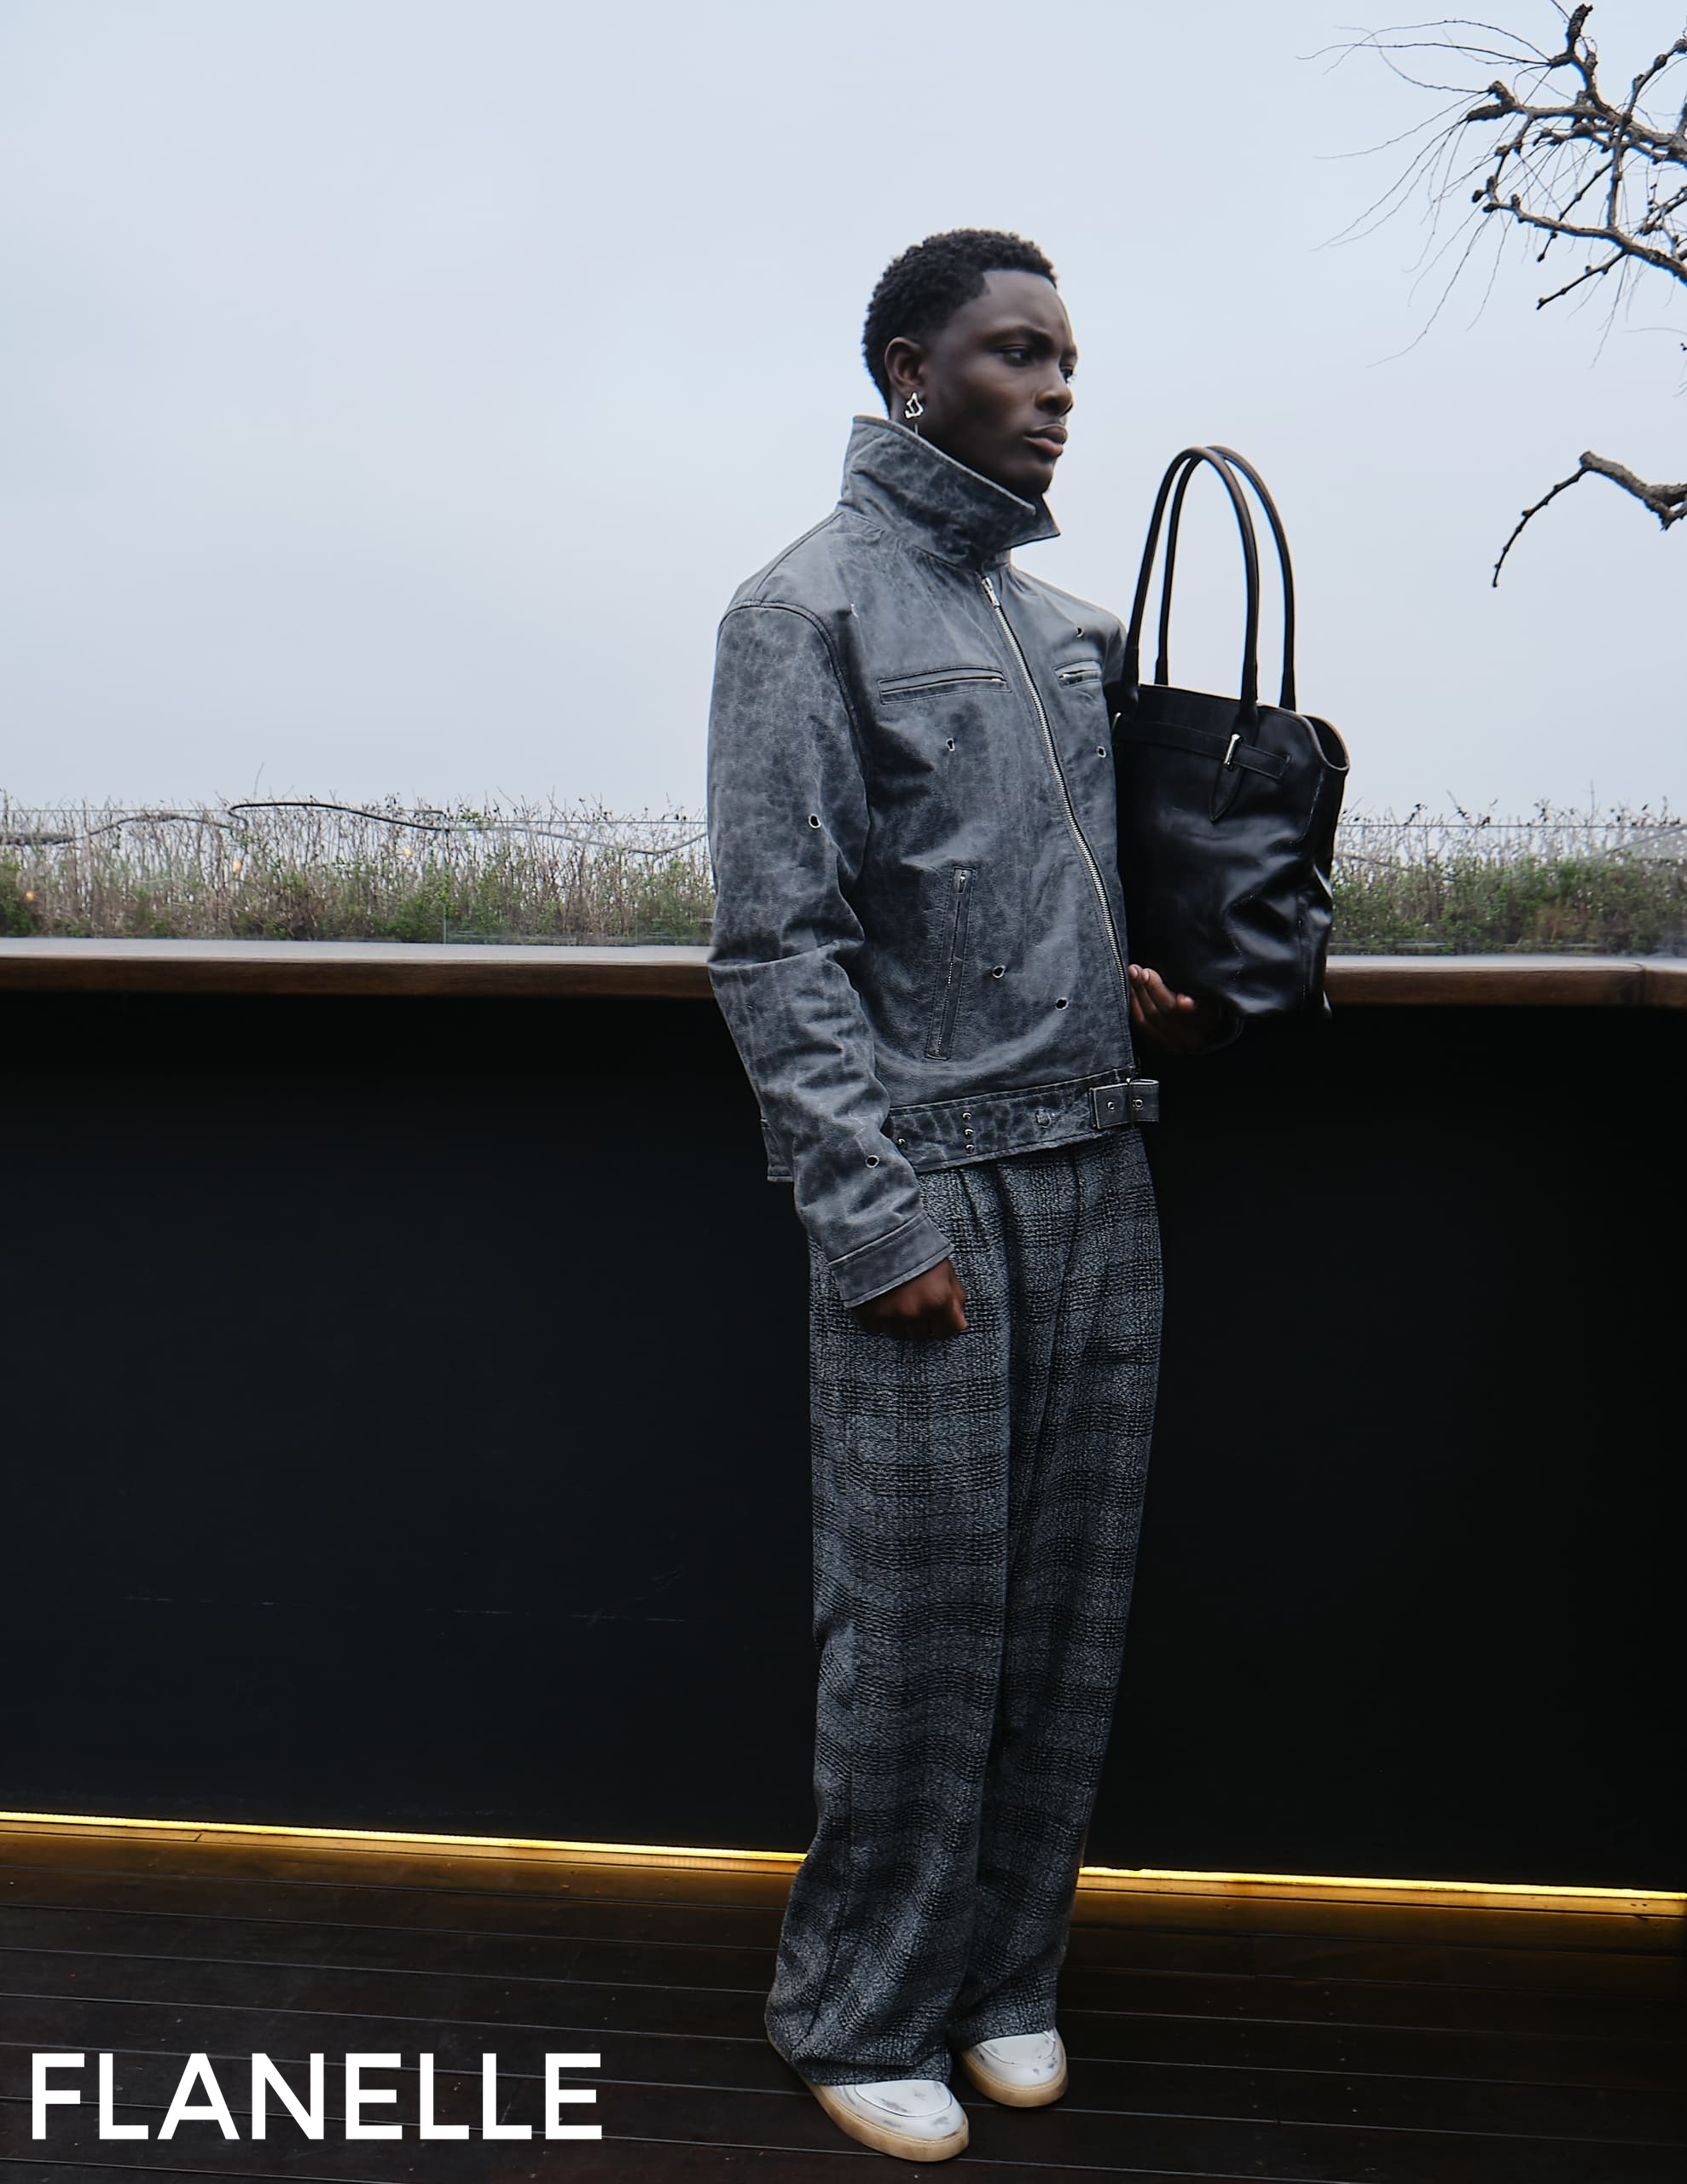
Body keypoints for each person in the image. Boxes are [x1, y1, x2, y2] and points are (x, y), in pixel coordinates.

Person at [704, 229, 1224, 2164]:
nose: (1057, 384)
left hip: (1103, 1165)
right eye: (1015, 352)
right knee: (912, 1632)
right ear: (912, 371)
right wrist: (871, 1213)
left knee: (1062, 1621)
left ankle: (1004, 1976)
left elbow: (1055, 894)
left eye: (1070, 354)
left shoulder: (1073, 634)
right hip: (926, 1190)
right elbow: (776, 946)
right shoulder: (800, 613)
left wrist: (1135, 998)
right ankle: (853, 2005)